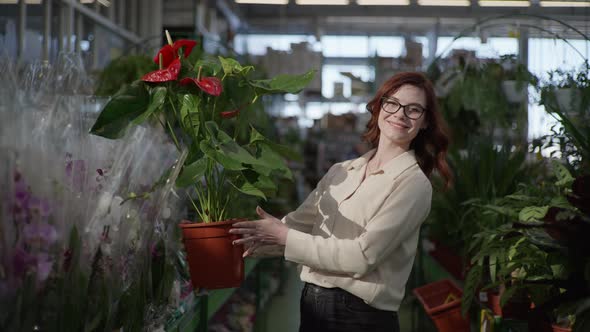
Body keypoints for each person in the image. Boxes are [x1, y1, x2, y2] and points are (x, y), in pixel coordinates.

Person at [230, 72, 452, 332]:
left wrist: (284, 237)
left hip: (360, 317)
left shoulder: (412, 184)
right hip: (313, 304)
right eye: (392, 103)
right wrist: (246, 239)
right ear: (380, 106)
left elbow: (361, 256)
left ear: (425, 122)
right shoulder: (343, 170)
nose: (400, 114)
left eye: (414, 110)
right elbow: (300, 225)